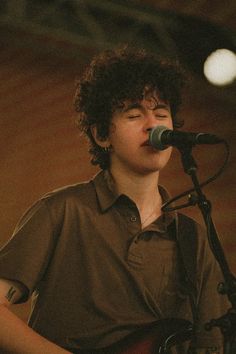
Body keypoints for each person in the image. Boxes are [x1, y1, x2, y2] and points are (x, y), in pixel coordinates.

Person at [0, 46, 230, 354]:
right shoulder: (62, 211)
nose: (153, 125)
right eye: (134, 114)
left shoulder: (193, 240)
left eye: (161, 114)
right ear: (101, 135)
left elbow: (210, 344)